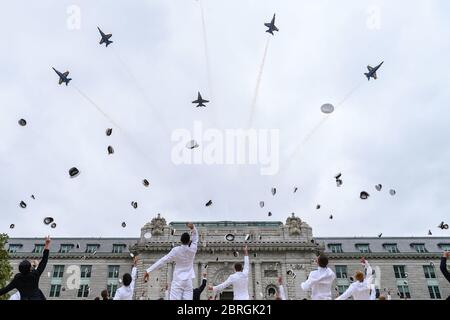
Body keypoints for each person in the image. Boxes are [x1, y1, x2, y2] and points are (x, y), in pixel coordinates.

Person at [144, 223, 198, 300]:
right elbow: (195, 238)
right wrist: (193, 228)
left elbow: (162, 260)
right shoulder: (193, 249)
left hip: (177, 281)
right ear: (189, 241)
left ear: (181, 241)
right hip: (188, 281)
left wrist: (148, 270)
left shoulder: (176, 250)